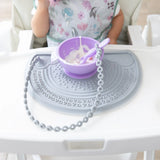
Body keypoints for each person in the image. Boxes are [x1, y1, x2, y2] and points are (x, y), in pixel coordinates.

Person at [31, 0, 124, 47]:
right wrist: (42, 7)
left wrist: (112, 37)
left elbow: (118, 16)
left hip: (97, 52)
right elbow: (39, 33)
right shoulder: (47, 2)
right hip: (58, 55)